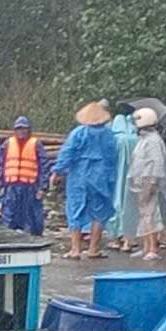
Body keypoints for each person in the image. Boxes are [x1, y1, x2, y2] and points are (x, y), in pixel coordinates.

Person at [54, 101, 117, 260]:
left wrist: (57, 171)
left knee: (75, 209)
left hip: (79, 176)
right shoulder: (109, 135)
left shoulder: (78, 133)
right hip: (101, 177)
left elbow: (67, 153)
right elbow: (113, 158)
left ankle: (75, 249)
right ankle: (93, 249)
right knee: (99, 212)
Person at [126, 107, 166, 261]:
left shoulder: (153, 140)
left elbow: (156, 164)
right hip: (142, 181)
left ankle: (152, 248)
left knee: (150, 214)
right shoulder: (145, 139)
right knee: (145, 214)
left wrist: (152, 182)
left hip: (149, 180)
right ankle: (146, 246)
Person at [0, 116, 51, 235]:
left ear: (29, 130)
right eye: (18, 129)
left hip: (30, 187)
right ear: (14, 130)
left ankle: (33, 240)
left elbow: (44, 166)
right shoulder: (8, 144)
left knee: (32, 217)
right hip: (11, 187)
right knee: (9, 214)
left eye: (24, 128)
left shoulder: (36, 144)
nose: (21, 131)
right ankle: (8, 238)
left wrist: (43, 187)